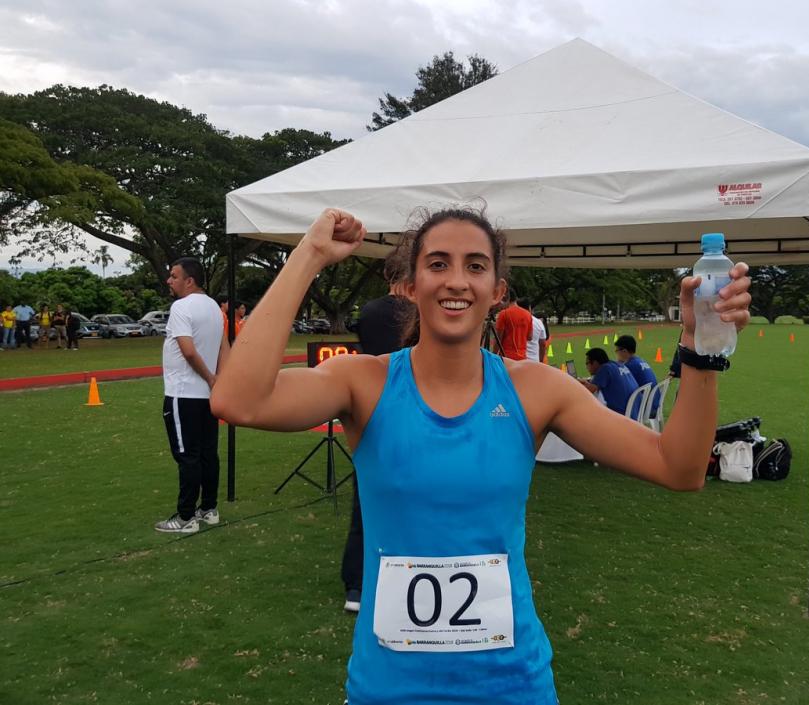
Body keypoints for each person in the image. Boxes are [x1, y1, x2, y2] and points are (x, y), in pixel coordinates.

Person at [211, 207, 752, 704]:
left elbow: (678, 468)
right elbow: (238, 400)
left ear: (497, 290)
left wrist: (700, 348)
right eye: (438, 263)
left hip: (511, 685)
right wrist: (308, 255)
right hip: (388, 688)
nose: (456, 280)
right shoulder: (364, 382)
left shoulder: (535, 390)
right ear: (410, 285)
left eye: (475, 266)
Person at [342, 249, 413, 614]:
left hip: (373, 407)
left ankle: (356, 584)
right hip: (412, 405)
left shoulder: (368, 312)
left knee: (366, 497)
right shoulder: (418, 312)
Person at [155, 257, 227, 534]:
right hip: (206, 396)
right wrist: (218, 381)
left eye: (173, 276)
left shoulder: (181, 307)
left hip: (182, 393)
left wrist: (210, 377)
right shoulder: (213, 307)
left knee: (188, 456)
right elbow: (223, 348)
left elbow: (187, 350)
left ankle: (186, 517)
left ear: (189, 280)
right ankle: (209, 509)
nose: (169, 280)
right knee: (208, 453)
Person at [578, 347, 638, 417]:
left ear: (595, 363)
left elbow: (590, 390)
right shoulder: (615, 364)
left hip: (621, 412)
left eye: (587, 363)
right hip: (633, 410)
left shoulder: (604, 369)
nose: (586, 367)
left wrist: (574, 383)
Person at [614, 334, 659, 418]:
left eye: (617, 350)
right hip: (654, 405)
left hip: (644, 409)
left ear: (624, 351)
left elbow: (617, 385)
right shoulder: (640, 361)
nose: (616, 353)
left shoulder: (630, 366)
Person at [494, 289, 531, 360]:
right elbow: (529, 336)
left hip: (506, 357)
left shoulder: (503, 314)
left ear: (506, 299)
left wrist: (493, 355)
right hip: (522, 357)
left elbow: (498, 339)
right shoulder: (527, 314)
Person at [518, 298, 546, 363]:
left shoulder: (513, 321)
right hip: (534, 360)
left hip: (518, 360)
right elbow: (543, 344)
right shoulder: (538, 322)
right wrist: (541, 361)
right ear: (529, 307)